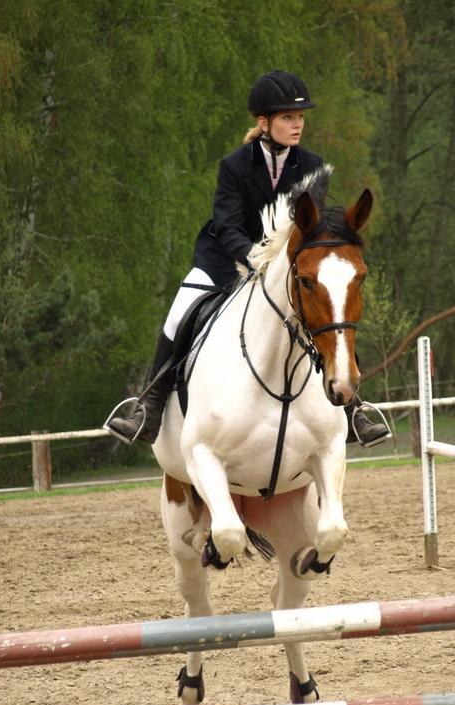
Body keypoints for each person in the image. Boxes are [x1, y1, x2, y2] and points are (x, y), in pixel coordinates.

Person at [106, 70, 389, 448]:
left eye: (300, 117)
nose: (297, 124)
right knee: (180, 312)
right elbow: (226, 225)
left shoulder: (312, 165)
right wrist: (253, 257)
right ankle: (149, 407)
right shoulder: (234, 165)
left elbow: (312, 229)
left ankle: (354, 410)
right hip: (225, 259)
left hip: (282, 268)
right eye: (288, 117)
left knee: (330, 309)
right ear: (264, 122)